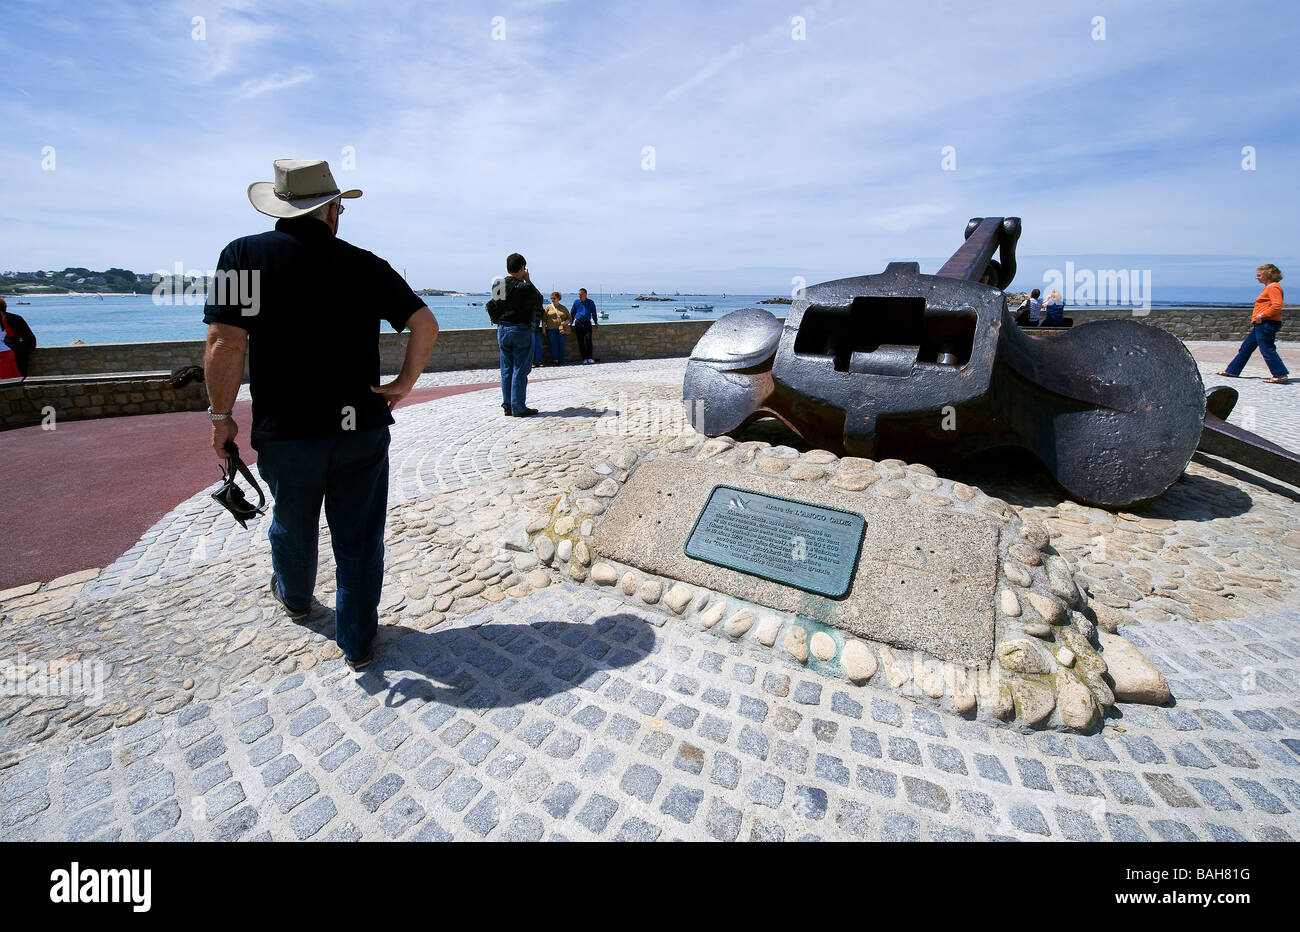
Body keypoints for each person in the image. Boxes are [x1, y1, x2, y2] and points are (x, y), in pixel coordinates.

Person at [202, 158, 438, 671]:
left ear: (282, 208)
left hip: (287, 432)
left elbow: (225, 341)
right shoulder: (365, 263)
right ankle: (356, 640)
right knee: (358, 535)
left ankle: (294, 597)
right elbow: (425, 324)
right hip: (361, 429)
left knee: (293, 522)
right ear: (330, 210)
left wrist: (221, 417)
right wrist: (400, 385)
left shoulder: (242, 255)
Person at [486, 253, 542, 415]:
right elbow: (538, 299)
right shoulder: (524, 287)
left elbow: (496, 306)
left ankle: (508, 406)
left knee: (506, 369)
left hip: (502, 329)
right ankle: (518, 407)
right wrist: (528, 280)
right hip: (521, 330)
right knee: (520, 369)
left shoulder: (498, 284)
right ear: (522, 268)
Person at [1217, 264, 1288, 384]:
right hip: (1261, 324)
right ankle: (1232, 370)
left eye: (1259, 275)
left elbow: (1277, 305)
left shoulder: (1273, 287)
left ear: (1268, 275)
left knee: (1267, 348)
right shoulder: (1269, 287)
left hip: (1266, 323)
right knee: (1246, 347)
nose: (1256, 277)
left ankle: (1280, 374)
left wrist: (1262, 315)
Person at [0, 297, 37, 378]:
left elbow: (27, 334)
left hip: (19, 346)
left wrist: (22, 341)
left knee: (20, 370)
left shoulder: (15, 318)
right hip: (7, 345)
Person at [570, 287, 598, 364]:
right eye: (579, 294)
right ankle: (584, 358)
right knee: (580, 341)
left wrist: (596, 322)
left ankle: (590, 357)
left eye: (581, 294)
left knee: (588, 340)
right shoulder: (576, 302)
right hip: (578, 323)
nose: (579, 296)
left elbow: (594, 313)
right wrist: (571, 323)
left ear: (585, 294)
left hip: (587, 323)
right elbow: (572, 313)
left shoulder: (591, 302)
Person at [543, 290, 570, 365]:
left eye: (554, 298)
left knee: (561, 344)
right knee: (553, 345)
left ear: (558, 298)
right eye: (551, 298)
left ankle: (561, 360)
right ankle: (555, 360)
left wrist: (565, 323)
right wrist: (543, 329)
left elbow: (569, 318)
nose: (552, 300)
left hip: (561, 329)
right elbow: (544, 319)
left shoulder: (563, 308)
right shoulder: (548, 307)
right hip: (551, 329)